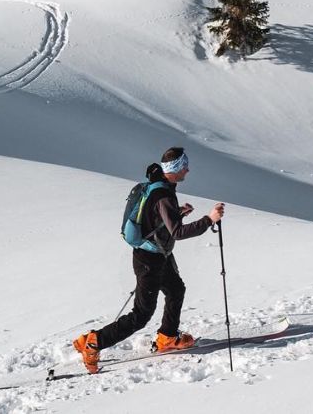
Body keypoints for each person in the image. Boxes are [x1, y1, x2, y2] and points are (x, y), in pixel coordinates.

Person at [73, 147, 225, 373]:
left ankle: (168, 337)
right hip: (149, 260)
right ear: (174, 170)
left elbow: (154, 219)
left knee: (176, 290)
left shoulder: (160, 188)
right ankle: (95, 341)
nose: (188, 169)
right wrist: (209, 219)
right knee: (141, 314)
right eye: (184, 166)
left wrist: (177, 213)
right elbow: (178, 233)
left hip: (157, 255)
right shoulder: (163, 194)